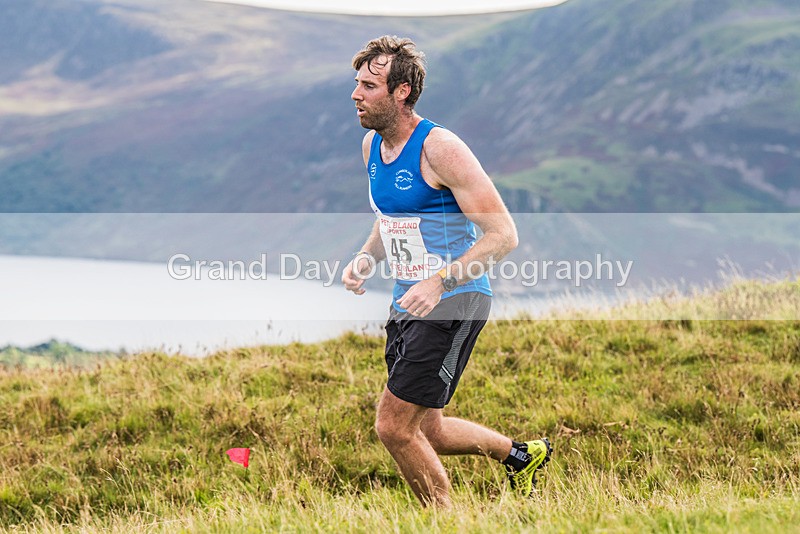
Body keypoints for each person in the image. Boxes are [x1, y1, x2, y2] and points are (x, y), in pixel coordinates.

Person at [342, 35, 551, 508]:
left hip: (455, 299)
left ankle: (443, 520)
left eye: (369, 86)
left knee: (393, 427)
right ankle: (522, 456)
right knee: (427, 428)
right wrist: (365, 258)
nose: (356, 94)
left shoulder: (441, 148)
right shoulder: (371, 146)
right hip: (407, 300)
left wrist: (439, 281)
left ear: (401, 93)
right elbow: (393, 216)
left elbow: (503, 235)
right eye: (357, 83)